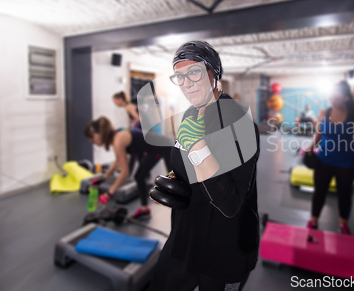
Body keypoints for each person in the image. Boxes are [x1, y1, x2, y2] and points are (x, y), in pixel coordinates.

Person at [148, 41, 260, 291]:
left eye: (194, 72)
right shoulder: (190, 114)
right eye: (179, 76)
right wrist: (173, 183)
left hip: (224, 247)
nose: (186, 83)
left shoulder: (239, 124)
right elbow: (185, 166)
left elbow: (230, 204)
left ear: (214, 73)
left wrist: (198, 148)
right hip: (185, 236)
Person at [305, 81, 354, 235]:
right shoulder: (324, 113)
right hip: (324, 160)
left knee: (344, 194)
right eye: (331, 97)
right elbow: (319, 133)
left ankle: (343, 224)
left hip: (346, 162)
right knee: (319, 191)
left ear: (346, 98)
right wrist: (312, 146)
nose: (332, 100)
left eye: (336, 98)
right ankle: (313, 221)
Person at [84, 116, 172, 219]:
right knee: (139, 176)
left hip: (165, 146)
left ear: (100, 133)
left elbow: (125, 172)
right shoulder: (117, 135)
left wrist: (109, 193)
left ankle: (187, 211)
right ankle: (145, 210)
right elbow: (118, 161)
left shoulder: (118, 140)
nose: (91, 141)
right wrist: (103, 177)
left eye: (91, 137)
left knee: (174, 181)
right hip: (155, 149)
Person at [113, 91, 142, 172]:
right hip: (140, 129)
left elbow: (137, 119)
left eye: (115, 101)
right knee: (138, 152)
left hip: (141, 129)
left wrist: (131, 127)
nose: (115, 103)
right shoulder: (129, 106)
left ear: (120, 100)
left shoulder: (128, 107)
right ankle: (143, 173)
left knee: (134, 150)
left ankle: (128, 171)